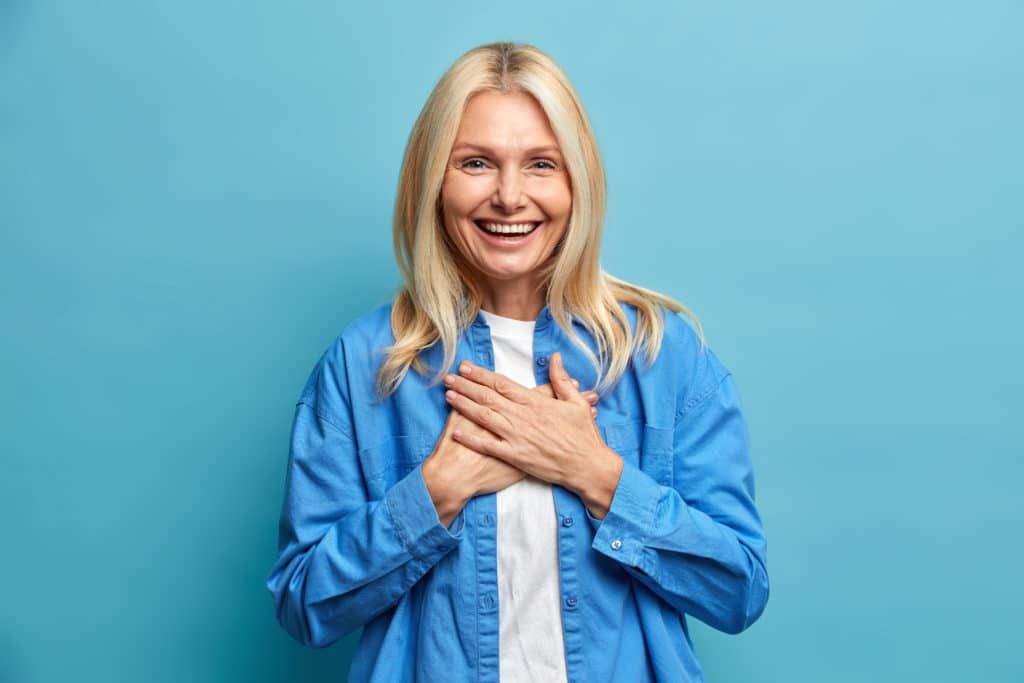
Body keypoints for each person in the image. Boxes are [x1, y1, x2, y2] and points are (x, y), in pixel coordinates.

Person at [266, 41, 769, 682]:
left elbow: (739, 590)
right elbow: (303, 603)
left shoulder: (661, 355)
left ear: (576, 183)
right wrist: (436, 493)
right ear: (433, 183)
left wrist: (596, 475)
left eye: (540, 165)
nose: (510, 196)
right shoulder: (364, 366)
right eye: (475, 162)